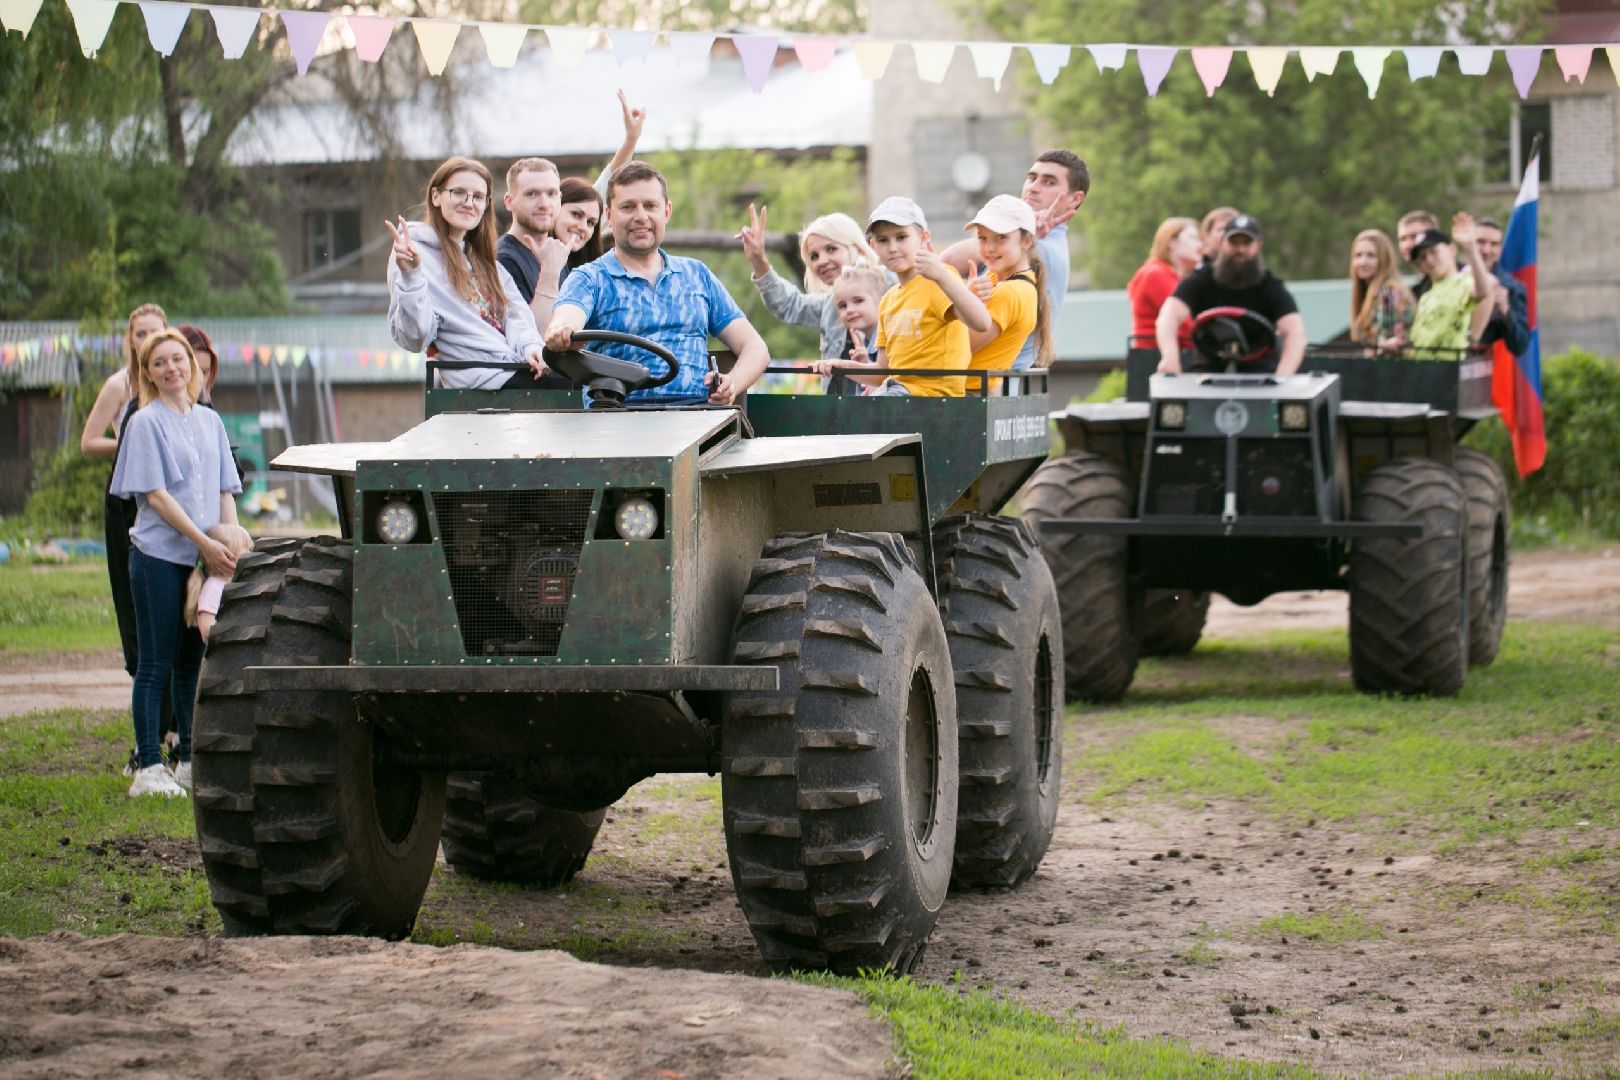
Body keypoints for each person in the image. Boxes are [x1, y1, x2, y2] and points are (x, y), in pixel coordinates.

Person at [109, 329, 243, 797]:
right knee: (155, 664)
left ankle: (187, 759)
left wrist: (230, 547)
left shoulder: (210, 422)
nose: (172, 368)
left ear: (193, 364)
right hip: (159, 557)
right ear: (148, 372)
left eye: (178, 359)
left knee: (192, 664)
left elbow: (225, 490)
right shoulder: (145, 423)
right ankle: (148, 766)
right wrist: (202, 544)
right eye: (160, 362)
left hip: (203, 560)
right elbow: (157, 497)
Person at [544, 161, 770, 406]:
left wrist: (733, 382)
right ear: (609, 216)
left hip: (696, 420)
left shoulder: (696, 275)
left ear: (666, 212)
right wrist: (563, 330)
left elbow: (755, 347)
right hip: (616, 419)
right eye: (628, 207)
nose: (641, 216)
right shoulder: (589, 278)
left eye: (650, 206)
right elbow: (567, 317)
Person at [385, 156, 548, 390]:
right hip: (483, 382)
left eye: (478, 197)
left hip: (514, 368)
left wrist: (531, 347)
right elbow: (415, 338)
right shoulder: (413, 251)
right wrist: (411, 277)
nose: (469, 202)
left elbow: (516, 315)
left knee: (582, 382)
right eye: (458, 192)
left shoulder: (487, 262)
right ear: (436, 196)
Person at [817, 196, 992, 397]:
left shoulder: (938, 278)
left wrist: (942, 276)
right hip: (897, 393)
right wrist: (844, 367)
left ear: (924, 238)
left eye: (901, 237)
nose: (892, 248)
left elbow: (981, 322)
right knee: (854, 410)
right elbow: (884, 370)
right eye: (883, 240)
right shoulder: (888, 300)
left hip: (932, 398)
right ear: (874, 247)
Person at [940, 149, 1088, 372]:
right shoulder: (1029, 248)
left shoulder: (1041, 250)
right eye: (1032, 177)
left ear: (1075, 199)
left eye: (1049, 182)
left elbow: (946, 261)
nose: (1034, 187)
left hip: (992, 377)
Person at [1155, 213, 1307, 376]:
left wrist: (1283, 376)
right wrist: (1170, 357)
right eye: (1234, 242)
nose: (1240, 249)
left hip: (1261, 375)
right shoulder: (1201, 279)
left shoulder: (1271, 286)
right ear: (1222, 243)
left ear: (1258, 245)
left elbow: (1295, 333)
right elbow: (1168, 316)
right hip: (1207, 373)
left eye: (1246, 243)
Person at [736, 206, 889, 359]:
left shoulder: (891, 287)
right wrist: (758, 261)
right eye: (814, 256)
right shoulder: (830, 303)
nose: (821, 261)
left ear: (858, 249)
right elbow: (789, 305)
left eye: (831, 249)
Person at [962, 194, 1052, 389]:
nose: (989, 248)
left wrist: (964, 300)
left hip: (968, 397)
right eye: (982, 238)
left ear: (1026, 241)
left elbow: (956, 347)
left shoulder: (1010, 292)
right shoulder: (998, 278)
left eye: (1001, 237)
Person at [1407, 213, 1496, 357]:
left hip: (1449, 371)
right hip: (1423, 373)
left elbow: (1484, 290)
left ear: (1452, 250)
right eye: (1422, 257)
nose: (1429, 260)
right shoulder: (1426, 296)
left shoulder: (1463, 282)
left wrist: (1471, 249)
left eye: (1434, 252)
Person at [1126, 216, 1200, 347]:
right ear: (1172, 242)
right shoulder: (1156, 274)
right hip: (1155, 355)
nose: (1199, 245)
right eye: (1192, 238)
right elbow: (1183, 323)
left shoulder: (1176, 276)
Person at [811, 266, 887, 389]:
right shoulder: (864, 344)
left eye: (858, 301)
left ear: (882, 301)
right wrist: (865, 364)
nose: (849, 310)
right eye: (842, 305)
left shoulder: (890, 338)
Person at [1472, 216, 1532, 358]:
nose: (1486, 250)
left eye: (1493, 244)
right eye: (1480, 242)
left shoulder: (1511, 288)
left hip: (1477, 369)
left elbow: (1520, 345)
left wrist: (1506, 311)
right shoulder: (1453, 275)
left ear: (1500, 249)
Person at [1347, 229, 1415, 349]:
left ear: (1384, 259)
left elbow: (1390, 346)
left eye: (1371, 255)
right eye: (1358, 255)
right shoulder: (1370, 293)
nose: (1363, 262)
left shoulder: (1389, 292)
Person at [185, 522, 255, 640]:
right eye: (245, 551)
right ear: (225, 557)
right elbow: (207, 628)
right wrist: (233, 631)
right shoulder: (214, 587)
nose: (250, 555)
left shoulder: (232, 583)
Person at [1396, 210, 1441, 298]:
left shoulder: (1460, 274)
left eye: (1414, 236)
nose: (1407, 245)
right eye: (1402, 239)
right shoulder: (1416, 290)